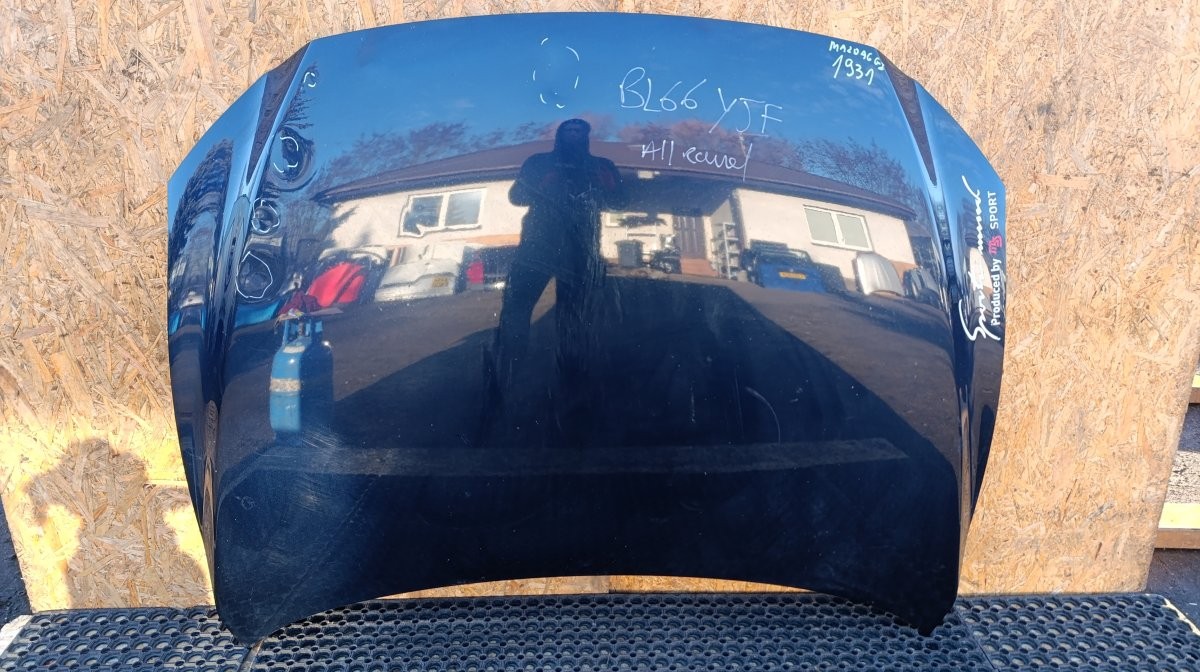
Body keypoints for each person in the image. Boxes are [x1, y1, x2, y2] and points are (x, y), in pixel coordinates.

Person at [492, 119, 626, 393]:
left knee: (575, 314)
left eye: (580, 131)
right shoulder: (539, 162)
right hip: (537, 245)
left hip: (580, 250)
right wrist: (543, 183)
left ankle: (572, 378)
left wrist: (610, 185)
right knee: (517, 307)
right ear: (559, 135)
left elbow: (621, 202)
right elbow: (516, 197)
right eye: (569, 130)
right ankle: (507, 371)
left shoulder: (601, 165)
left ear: (587, 136)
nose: (574, 135)